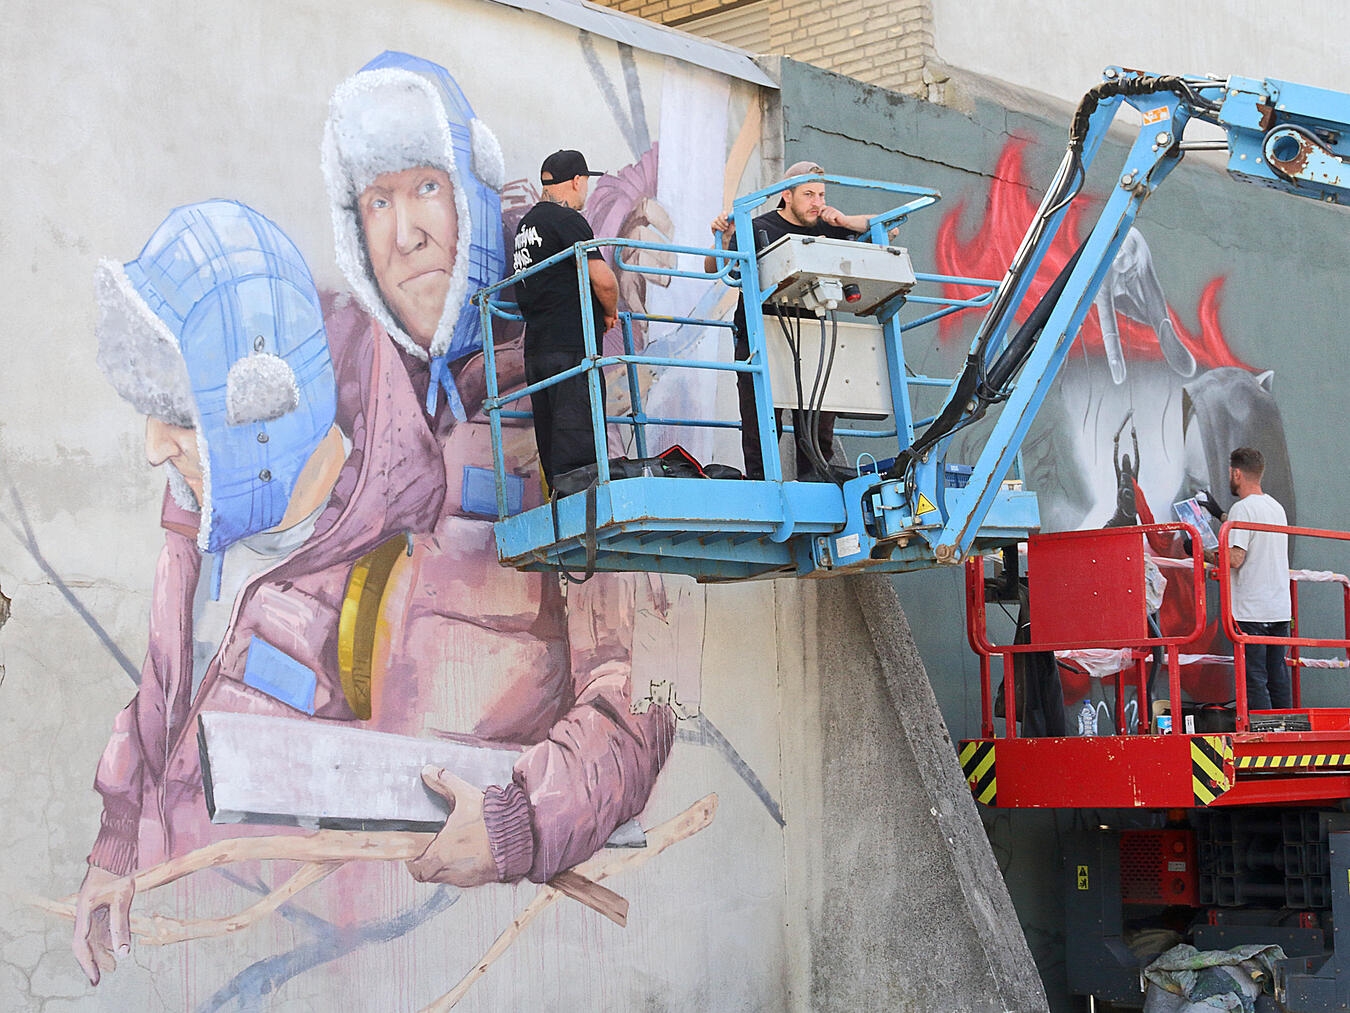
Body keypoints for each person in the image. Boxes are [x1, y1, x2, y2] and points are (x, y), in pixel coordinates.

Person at [74, 198, 373, 984]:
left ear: (264, 407)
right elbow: (160, 694)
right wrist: (116, 840)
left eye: (180, 412)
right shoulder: (195, 522)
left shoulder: (389, 570)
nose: (152, 449)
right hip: (187, 947)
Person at [706, 161, 873, 480]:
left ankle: (817, 492)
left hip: (813, 338)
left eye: (822, 194)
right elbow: (715, 269)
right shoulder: (754, 227)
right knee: (761, 427)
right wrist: (725, 239)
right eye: (808, 194)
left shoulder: (828, 226)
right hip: (761, 339)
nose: (817, 202)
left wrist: (842, 219)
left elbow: (886, 228)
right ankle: (763, 492)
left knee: (817, 431)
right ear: (786, 194)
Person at [511, 148, 620, 491]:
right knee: (579, 439)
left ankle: (562, 509)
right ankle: (584, 511)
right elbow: (602, 278)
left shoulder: (526, 225)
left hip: (537, 350)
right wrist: (610, 310)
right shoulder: (567, 220)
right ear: (576, 181)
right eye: (585, 182)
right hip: (570, 346)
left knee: (552, 440)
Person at [1207, 446, 1292, 710]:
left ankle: (1262, 733)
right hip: (1278, 609)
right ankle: (1284, 733)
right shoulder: (1276, 508)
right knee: (1277, 676)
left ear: (1236, 473)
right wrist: (1221, 515)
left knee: (1254, 678)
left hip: (1251, 611)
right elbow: (1256, 534)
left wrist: (1198, 551)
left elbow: (1234, 559)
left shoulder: (1241, 509)